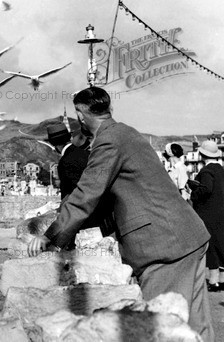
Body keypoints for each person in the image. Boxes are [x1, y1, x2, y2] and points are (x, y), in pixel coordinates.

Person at [27, 87, 213, 341]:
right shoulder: (126, 132)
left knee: (161, 329)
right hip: (188, 236)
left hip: (165, 247)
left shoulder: (109, 141)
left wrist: (52, 235)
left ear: (81, 115)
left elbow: (88, 192)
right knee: (195, 327)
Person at [189, 140, 224, 292]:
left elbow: (206, 189)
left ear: (202, 154)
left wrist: (193, 192)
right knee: (222, 245)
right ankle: (222, 280)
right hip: (221, 213)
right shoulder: (222, 170)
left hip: (208, 214)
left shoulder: (206, 171)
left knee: (211, 248)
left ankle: (214, 281)